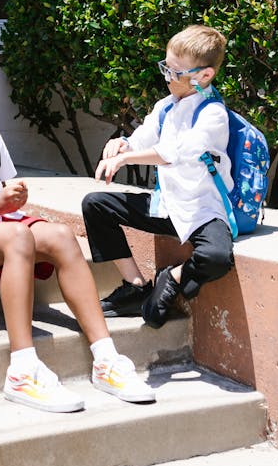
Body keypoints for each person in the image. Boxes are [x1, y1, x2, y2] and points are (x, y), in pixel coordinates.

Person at [0, 50, 156, 414]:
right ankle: (22, 370)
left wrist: (14, 199)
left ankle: (105, 358)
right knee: (19, 238)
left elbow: (6, 187)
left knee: (61, 236)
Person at [82, 24, 235, 329]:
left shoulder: (212, 114)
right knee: (95, 205)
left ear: (204, 76)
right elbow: (141, 140)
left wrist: (127, 158)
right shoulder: (164, 107)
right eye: (166, 67)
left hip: (201, 210)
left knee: (217, 257)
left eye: (176, 73)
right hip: (165, 206)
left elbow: (173, 153)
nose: (167, 77)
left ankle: (173, 277)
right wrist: (121, 145)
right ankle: (136, 286)